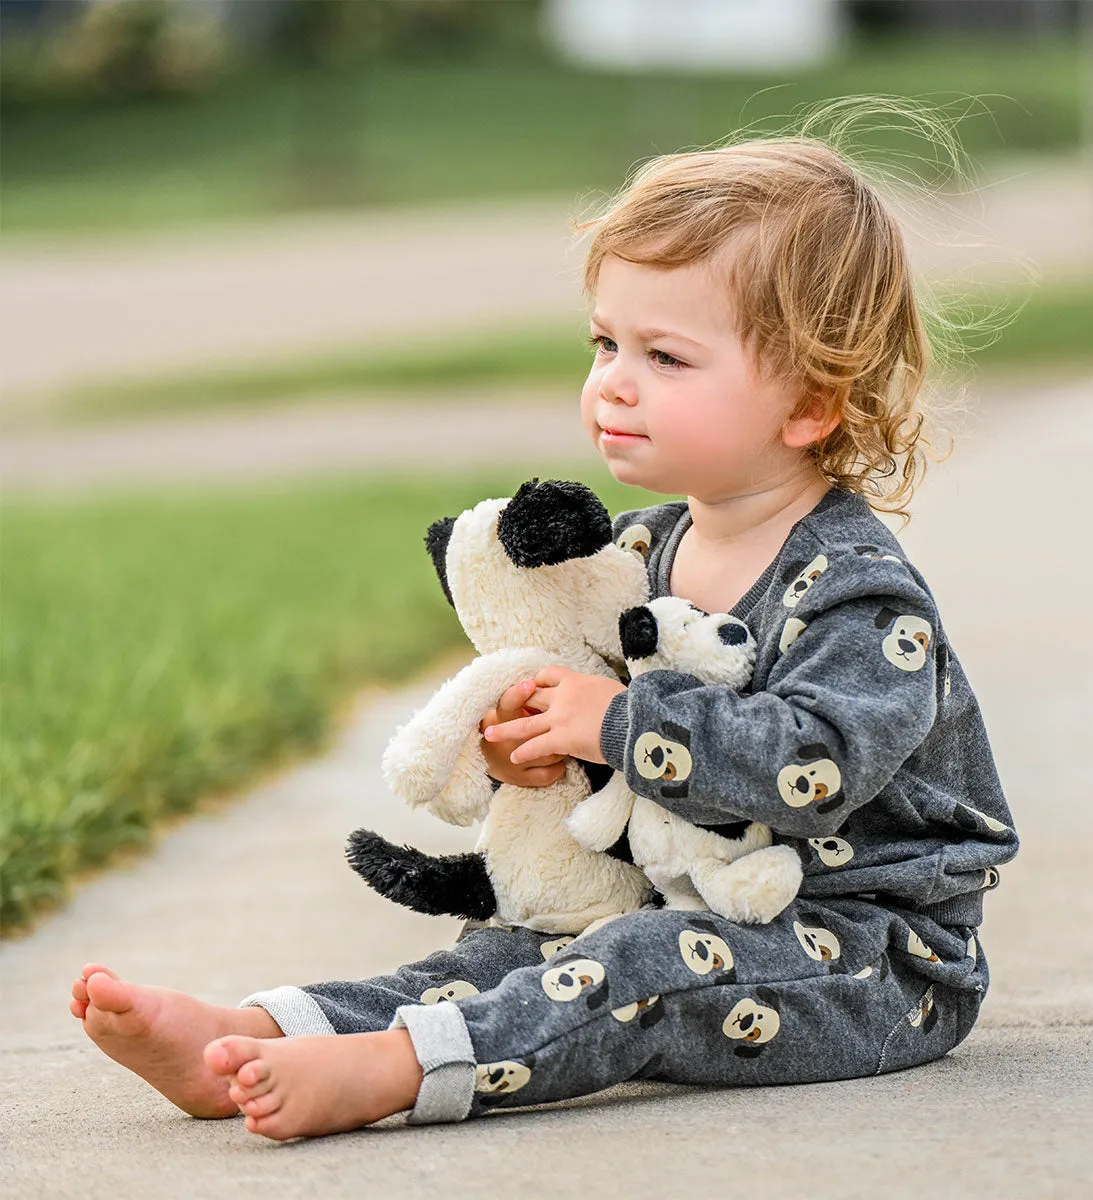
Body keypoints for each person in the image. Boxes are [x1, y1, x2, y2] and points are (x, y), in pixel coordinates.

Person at [68, 129, 1018, 1141]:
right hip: (683, 899)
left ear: (811, 403)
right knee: (509, 950)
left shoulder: (859, 600)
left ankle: (393, 1073)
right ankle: (263, 1030)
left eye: (666, 357)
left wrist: (614, 721)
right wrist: (544, 747)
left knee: (629, 968)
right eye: (606, 343)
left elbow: (809, 766)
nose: (612, 380)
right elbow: (619, 742)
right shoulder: (646, 550)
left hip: (865, 957)